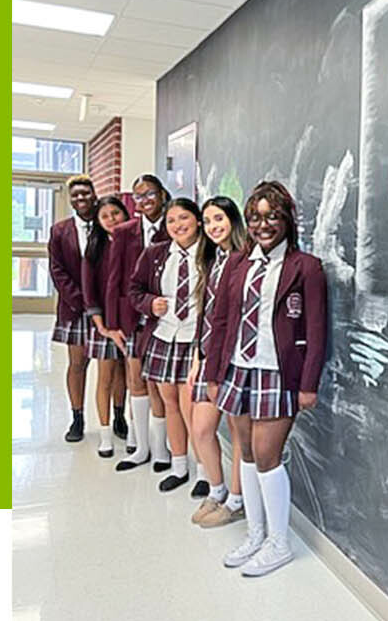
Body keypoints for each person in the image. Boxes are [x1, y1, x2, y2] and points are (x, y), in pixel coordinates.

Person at [204, 180, 328, 576]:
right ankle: (256, 534)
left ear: (287, 219)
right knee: (246, 452)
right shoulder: (238, 263)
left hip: (278, 371)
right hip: (238, 369)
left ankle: (280, 543)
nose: (263, 225)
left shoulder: (305, 267)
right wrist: (213, 373)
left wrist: (308, 384)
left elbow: (317, 328)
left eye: (272, 216)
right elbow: (221, 321)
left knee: (267, 457)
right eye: (255, 218)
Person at [88, 175, 178, 473]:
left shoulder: (175, 225)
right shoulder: (125, 232)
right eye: (138, 197)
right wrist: (113, 325)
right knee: (135, 380)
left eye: (150, 193)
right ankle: (141, 447)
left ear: (162, 194)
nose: (145, 200)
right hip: (132, 318)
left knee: (159, 386)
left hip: (166, 316)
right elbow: (114, 280)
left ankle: (161, 449)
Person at [129, 197, 203, 494]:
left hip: (194, 339)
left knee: (192, 408)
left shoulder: (211, 254)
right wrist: (150, 303)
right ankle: (179, 466)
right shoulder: (155, 253)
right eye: (171, 220)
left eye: (184, 218)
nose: (177, 225)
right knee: (170, 402)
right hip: (164, 335)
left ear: (197, 220)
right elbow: (134, 289)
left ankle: (204, 472)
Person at [186, 196, 252, 527]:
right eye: (208, 221)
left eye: (219, 219)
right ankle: (217, 490)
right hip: (208, 357)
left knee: (239, 434)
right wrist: (197, 356)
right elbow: (206, 313)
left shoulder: (246, 259)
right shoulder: (212, 260)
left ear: (233, 220)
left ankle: (237, 501)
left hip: (233, 358)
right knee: (201, 429)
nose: (213, 226)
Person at [46, 174, 97, 442]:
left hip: (105, 308)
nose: (81, 198)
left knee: (113, 367)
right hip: (75, 308)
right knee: (77, 364)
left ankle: (118, 417)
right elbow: (57, 271)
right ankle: (77, 418)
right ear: (70, 199)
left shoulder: (105, 224)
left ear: (94, 194)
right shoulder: (59, 230)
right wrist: (81, 301)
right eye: (75, 195)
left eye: (85, 193)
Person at [80, 195, 132, 458]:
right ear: (98, 222)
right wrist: (102, 327)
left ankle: (121, 418)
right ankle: (104, 434)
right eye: (105, 216)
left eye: (116, 213)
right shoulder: (95, 249)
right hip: (104, 324)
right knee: (105, 377)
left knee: (127, 376)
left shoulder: (135, 243)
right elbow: (89, 291)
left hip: (130, 322)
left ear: (125, 213)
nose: (112, 219)